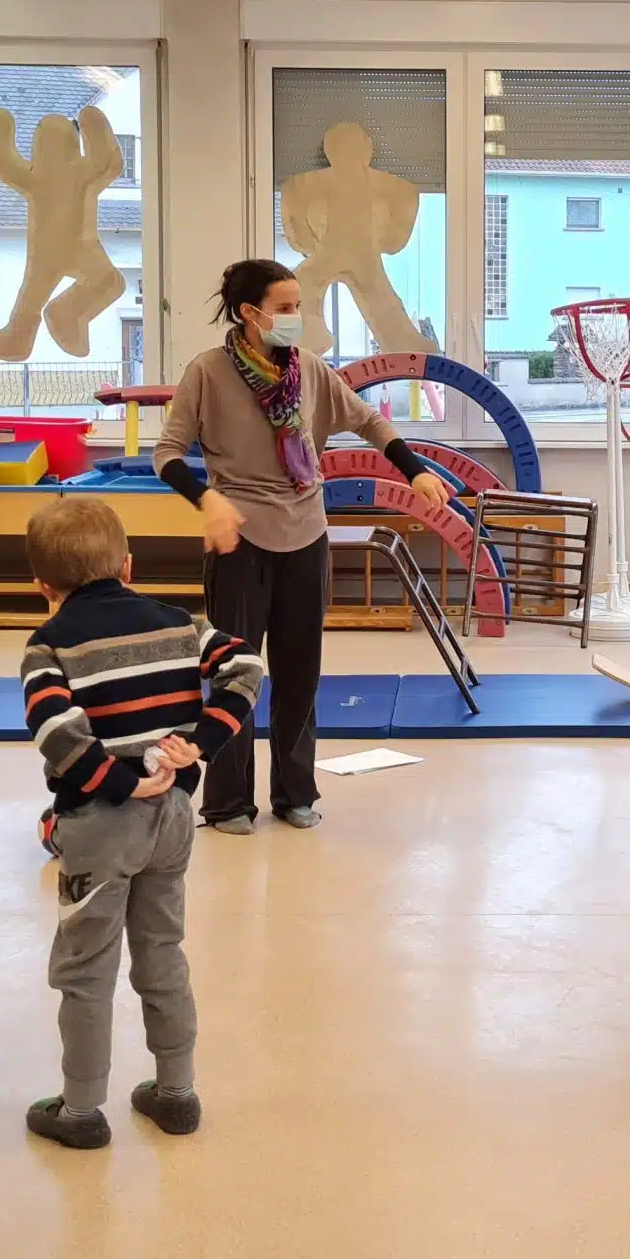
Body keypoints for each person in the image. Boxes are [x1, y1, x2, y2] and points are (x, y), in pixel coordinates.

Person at [153, 259, 451, 833]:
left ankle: (294, 792)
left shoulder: (309, 370)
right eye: (286, 308)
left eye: (298, 306)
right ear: (250, 313)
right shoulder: (208, 373)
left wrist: (414, 469)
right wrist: (205, 499)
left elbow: (369, 421)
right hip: (238, 536)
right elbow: (166, 453)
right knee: (237, 672)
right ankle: (226, 802)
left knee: (299, 671)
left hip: (306, 533)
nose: (297, 318)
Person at [17, 497, 262, 1151]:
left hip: (101, 824)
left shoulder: (49, 645)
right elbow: (247, 667)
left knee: (85, 971)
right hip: (173, 817)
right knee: (162, 952)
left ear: (44, 587)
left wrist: (118, 779)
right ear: (129, 565)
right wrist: (202, 744)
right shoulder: (181, 624)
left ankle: (80, 1109)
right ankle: (176, 1093)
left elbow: (55, 731)